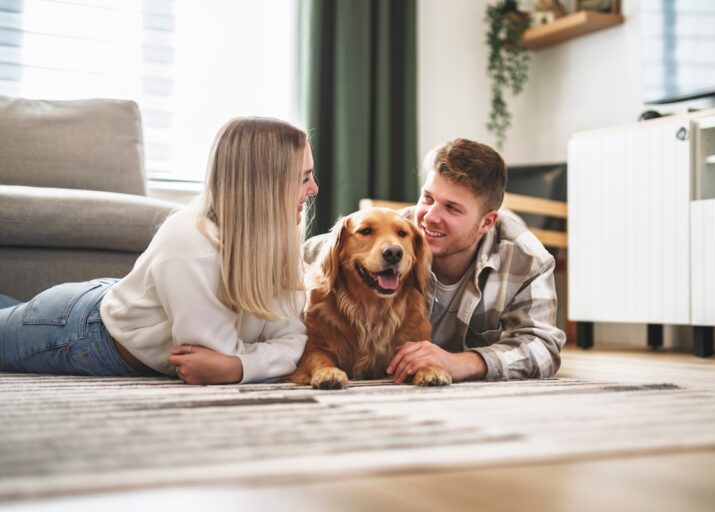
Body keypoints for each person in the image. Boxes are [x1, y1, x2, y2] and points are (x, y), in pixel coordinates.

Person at [0, 117, 319, 385]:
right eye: (304, 178)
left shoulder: (276, 239)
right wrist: (242, 364)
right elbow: (206, 361)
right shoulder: (190, 244)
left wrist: (238, 366)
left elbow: (293, 341)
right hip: (81, 329)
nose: (314, 188)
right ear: (265, 185)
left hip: (128, 302)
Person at [304, 138, 565, 383]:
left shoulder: (527, 259)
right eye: (428, 198)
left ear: (486, 222)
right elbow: (311, 253)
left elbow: (543, 347)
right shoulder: (398, 233)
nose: (429, 218)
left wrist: (461, 363)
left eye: (451, 208)